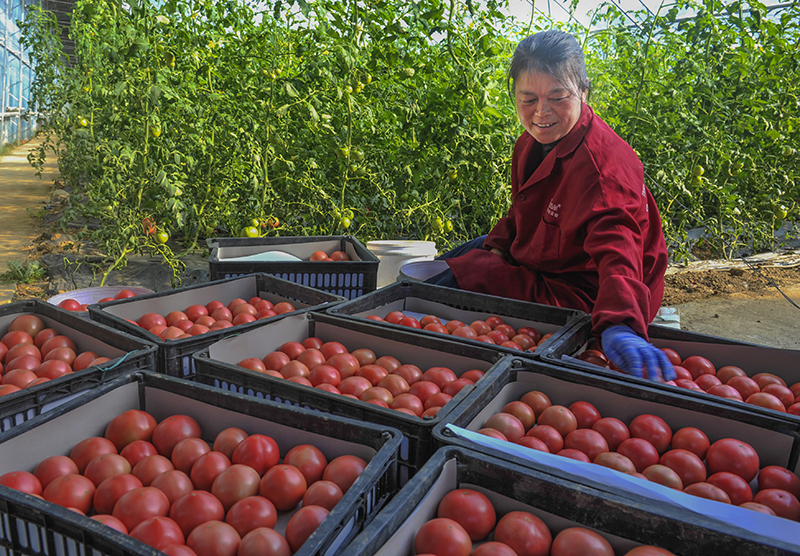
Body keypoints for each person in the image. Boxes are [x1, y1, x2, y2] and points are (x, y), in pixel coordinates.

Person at [427, 29, 675, 382]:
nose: (542, 112)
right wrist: (497, 248)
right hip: (552, 258)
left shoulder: (603, 168)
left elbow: (618, 250)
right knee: (471, 252)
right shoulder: (529, 145)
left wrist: (620, 325)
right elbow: (521, 213)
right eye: (528, 100)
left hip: (590, 292)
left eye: (558, 97)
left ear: (584, 92)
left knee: (461, 276)